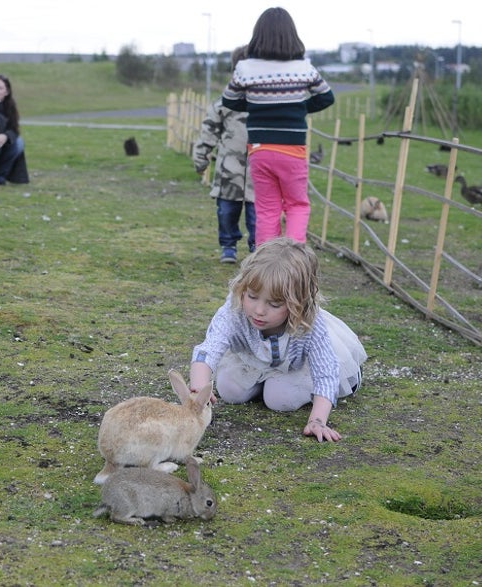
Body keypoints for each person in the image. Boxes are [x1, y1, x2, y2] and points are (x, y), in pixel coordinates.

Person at [189, 237, 366, 442]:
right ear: (242, 288)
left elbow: (325, 371)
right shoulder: (234, 310)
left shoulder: (308, 323)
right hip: (253, 360)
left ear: (296, 304)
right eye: (252, 297)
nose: (259, 310)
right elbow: (209, 349)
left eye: (274, 304)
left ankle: (277, 387)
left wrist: (317, 420)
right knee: (229, 390)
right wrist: (199, 387)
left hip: (296, 367)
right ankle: (261, 383)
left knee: (279, 399)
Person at [222, 7, 335, 244]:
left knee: (267, 210)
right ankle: (293, 264)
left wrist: (256, 106)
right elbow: (326, 97)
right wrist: (298, 108)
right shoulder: (304, 68)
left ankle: (264, 267)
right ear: (291, 35)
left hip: (260, 150)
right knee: (297, 205)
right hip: (292, 150)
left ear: (258, 35)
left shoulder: (245, 68)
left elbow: (229, 100)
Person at [193, 45, 256, 265]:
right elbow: (208, 130)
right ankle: (228, 245)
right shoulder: (225, 103)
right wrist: (201, 157)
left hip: (259, 172)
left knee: (257, 215)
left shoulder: (265, 103)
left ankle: (257, 249)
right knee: (226, 211)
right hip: (230, 169)